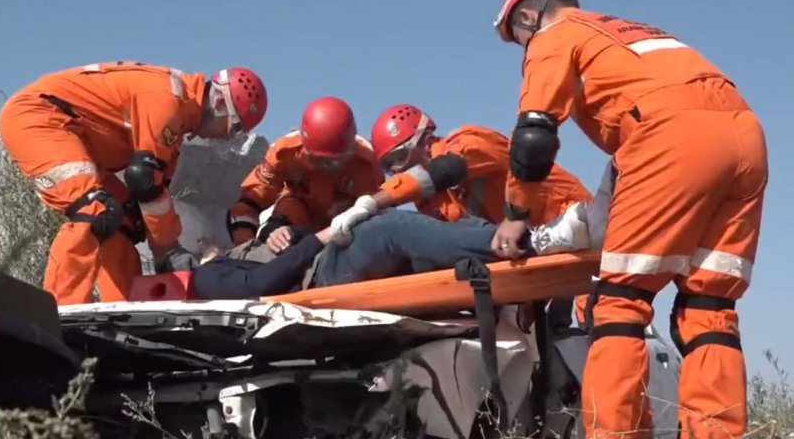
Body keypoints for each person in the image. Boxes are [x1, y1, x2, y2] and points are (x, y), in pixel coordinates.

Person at [490, 0, 768, 439]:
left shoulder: (556, 34)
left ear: (528, 15)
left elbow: (534, 136)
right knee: (710, 306)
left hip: (669, 135)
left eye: (517, 38)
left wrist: (516, 215)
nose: (522, 48)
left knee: (620, 298)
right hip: (744, 136)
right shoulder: (633, 37)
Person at [0, 61, 268, 305]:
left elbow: (155, 194)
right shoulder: (167, 100)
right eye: (234, 128)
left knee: (127, 219)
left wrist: (165, 250)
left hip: (76, 136)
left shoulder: (180, 120)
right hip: (40, 119)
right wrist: (168, 251)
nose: (227, 138)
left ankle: (121, 308)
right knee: (94, 210)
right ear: (219, 103)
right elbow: (143, 179)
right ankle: (59, 310)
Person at [326, 103, 592, 249]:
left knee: (597, 307)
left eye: (399, 158)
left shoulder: (469, 140)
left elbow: (446, 170)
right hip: (528, 244)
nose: (397, 170)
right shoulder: (434, 202)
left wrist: (370, 203)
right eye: (388, 166)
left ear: (425, 140)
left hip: (572, 218)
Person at [193, 209, 514, 300]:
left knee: (421, 240)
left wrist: (291, 233)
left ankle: (499, 236)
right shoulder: (207, 275)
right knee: (393, 229)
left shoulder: (235, 256)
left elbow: (290, 252)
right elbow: (258, 285)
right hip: (321, 275)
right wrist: (317, 238)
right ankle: (505, 242)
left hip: (323, 262)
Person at [226, 96, 384, 246]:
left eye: (334, 162)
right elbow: (251, 200)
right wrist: (246, 244)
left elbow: (378, 216)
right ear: (304, 145)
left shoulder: (368, 164)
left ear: (351, 151)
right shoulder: (285, 152)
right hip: (295, 220)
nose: (326, 168)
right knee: (291, 205)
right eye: (318, 160)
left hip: (344, 231)